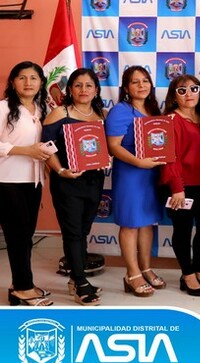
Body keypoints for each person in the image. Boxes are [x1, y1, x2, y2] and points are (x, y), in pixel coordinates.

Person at [41, 68, 108, 306]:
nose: (83, 90)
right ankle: (80, 284)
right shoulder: (60, 112)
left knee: (82, 231)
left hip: (93, 181)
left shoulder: (101, 114)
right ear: (70, 89)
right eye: (78, 85)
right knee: (72, 232)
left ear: (96, 90)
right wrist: (60, 170)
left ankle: (75, 278)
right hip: (67, 180)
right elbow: (45, 147)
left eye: (88, 85)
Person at [160, 75, 200, 297]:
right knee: (183, 230)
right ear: (173, 96)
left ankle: (199, 270)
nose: (189, 94)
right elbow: (170, 157)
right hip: (181, 186)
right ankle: (187, 275)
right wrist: (177, 187)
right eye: (182, 90)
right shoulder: (170, 120)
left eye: (193, 89)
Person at [106, 66, 165, 298]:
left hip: (152, 173)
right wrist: (139, 163)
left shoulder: (153, 109)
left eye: (145, 81)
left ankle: (146, 268)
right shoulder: (121, 110)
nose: (141, 85)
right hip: (132, 173)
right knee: (130, 223)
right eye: (135, 82)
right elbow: (113, 146)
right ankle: (132, 274)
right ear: (126, 88)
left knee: (147, 222)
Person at [0, 61, 53, 306]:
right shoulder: (3, 109)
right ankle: (23, 288)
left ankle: (18, 285)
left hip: (33, 181)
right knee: (17, 236)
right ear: (13, 82)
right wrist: (25, 151)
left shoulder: (42, 109)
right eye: (22, 78)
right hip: (8, 181)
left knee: (26, 235)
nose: (28, 82)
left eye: (33, 78)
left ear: (41, 82)